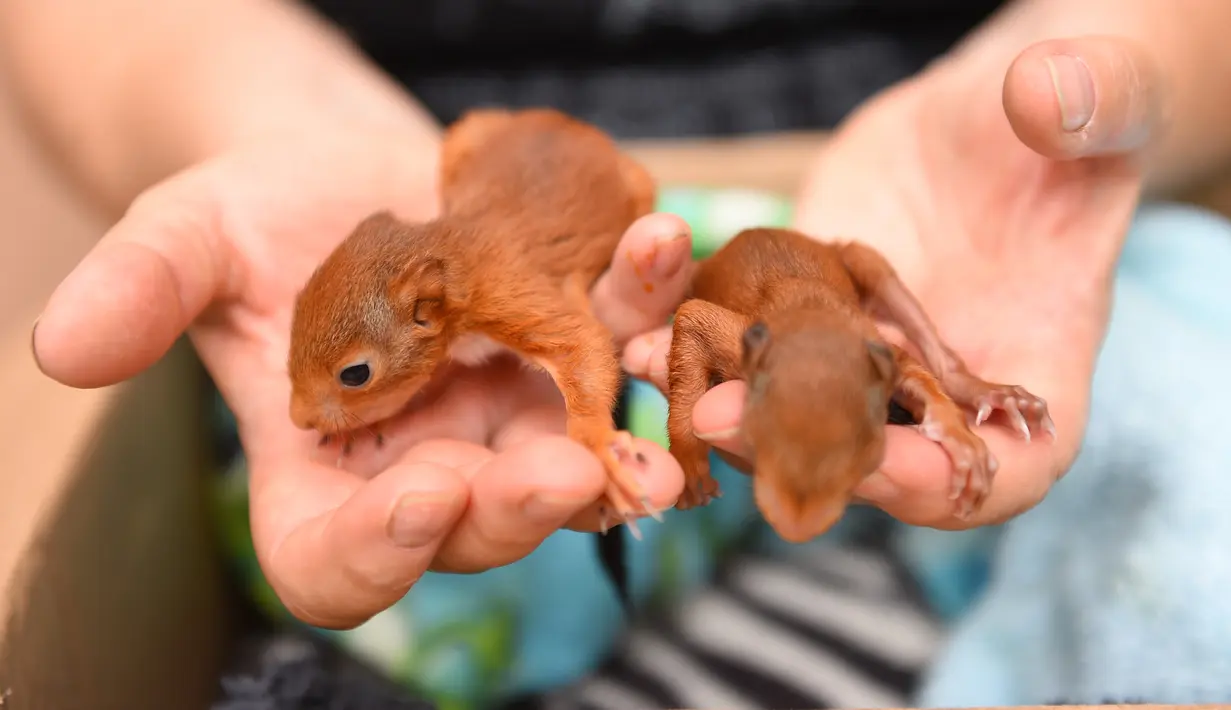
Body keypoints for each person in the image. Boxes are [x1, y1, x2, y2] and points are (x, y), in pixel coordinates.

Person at [7, 0, 1231, 707]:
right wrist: (266, 121)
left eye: (352, 381)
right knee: (390, 555)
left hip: (916, 154)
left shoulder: (515, 294)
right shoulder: (419, 270)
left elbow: (589, 343)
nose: (333, 402)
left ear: (430, 313)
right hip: (400, 117)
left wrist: (1115, 62)